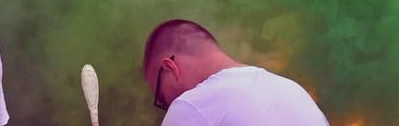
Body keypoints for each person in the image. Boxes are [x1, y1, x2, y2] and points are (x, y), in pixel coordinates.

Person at [141, 19, 329, 125]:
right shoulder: (293, 91)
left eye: (162, 98)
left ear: (170, 67)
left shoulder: (191, 106)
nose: (168, 104)